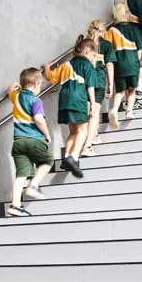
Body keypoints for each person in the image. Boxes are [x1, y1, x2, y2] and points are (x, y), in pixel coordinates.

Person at [43, 38, 97, 177]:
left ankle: (66, 157)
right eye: (93, 54)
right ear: (87, 51)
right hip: (78, 100)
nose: (94, 58)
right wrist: (93, 105)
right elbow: (90, 87)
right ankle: (73, 156)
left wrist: (46, 67)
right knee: (83, 130)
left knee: (73, 132)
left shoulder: (66, 65)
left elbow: (50, 76)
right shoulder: (88, 66)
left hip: (64, 101)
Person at [5, 68, 54, 217]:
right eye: (39, 86)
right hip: (34, 139)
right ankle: (33, 185)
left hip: (18, 142)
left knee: (21, 174)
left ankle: (15, 205)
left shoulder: (16, 97)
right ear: (35, 84)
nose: (39, 89)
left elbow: (10, 89)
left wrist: (18, 85)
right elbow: (39, 119)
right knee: (47, 160)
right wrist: (47, 134)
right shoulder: (36, 100)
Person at [104, 2, 142, 120]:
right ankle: (129, 112)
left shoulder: (111, 31)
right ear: (126, 14)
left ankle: (114, 109)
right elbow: (140, 48)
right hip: (132, 64)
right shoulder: (135, 29)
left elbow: (107, 48)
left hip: (119, 65)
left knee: (120, 91)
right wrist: (138, 61)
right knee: (132, 90)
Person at [83, 19, 115, 149]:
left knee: (89, 110)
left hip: (85, 81)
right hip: (99, 81)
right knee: (95, 112)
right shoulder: (106, 45)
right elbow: (109, 65)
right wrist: (111, 84)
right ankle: (89, 142)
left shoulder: (83, 44)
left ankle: (94, 135)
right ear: (103, 31)